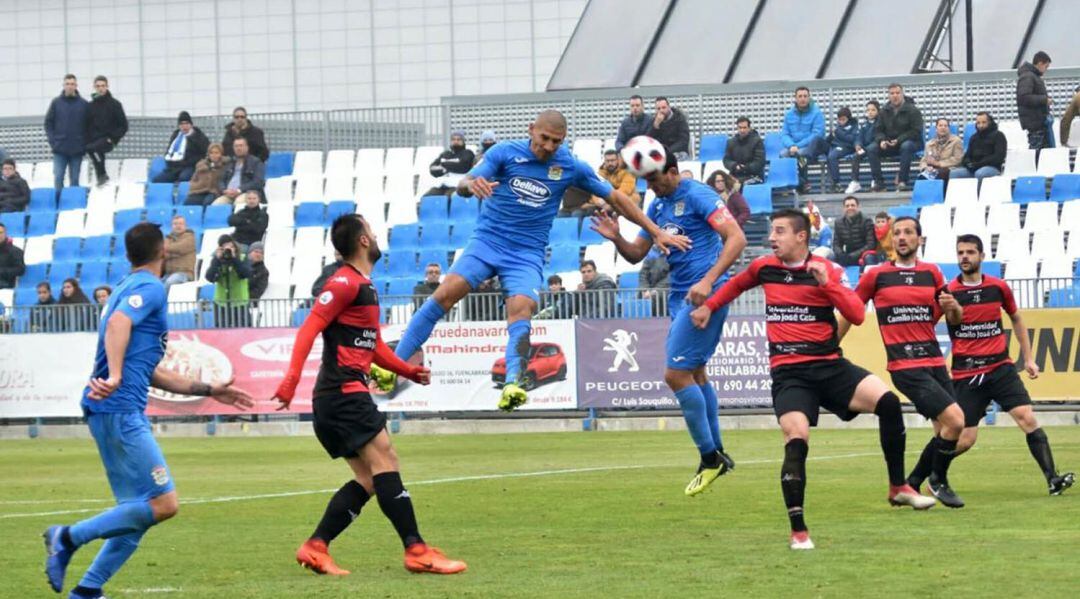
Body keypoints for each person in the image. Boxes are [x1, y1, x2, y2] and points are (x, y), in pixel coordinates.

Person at [379, 110, 689, 412]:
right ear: (531, 129)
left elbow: (616, 198)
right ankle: (392, 367)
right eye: (545, 139)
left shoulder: (569, 165)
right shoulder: (504, 153)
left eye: (557, 141)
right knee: (443, 296)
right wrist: (469, 185)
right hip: (487, 242)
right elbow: (467, 181)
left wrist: (654, 230)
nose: (550, 147)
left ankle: (514, 383)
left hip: (525, 255)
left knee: (522, 308)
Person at [689, 209, 934, 551]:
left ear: (801, 237)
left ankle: (898, 488)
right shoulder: (765, 267)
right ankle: (799, 532)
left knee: (889, 402)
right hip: (791, 374)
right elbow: (734, 285)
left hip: (831, 367)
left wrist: (828, 285)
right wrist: (708, 307)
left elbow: (856, 315)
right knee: (796, 438)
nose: (772, 238)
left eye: (779, 231)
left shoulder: (828, 270)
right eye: (772, 232)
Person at [42, 223, 253, 599]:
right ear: (164, 253)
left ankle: (88, 591)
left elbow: (150, 368)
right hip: (120, 409)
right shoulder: (151, 288)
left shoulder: (123, 287)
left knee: (139, 509)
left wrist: (208, 390)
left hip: (108, 408)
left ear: (128, 256)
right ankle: (68, 537)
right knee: (164, 504)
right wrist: (118, 375)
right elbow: (120, 325)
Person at [272, 213, 466, 576]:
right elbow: (310, 327)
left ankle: (316, 547)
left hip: (339, 397)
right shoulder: (344, 282)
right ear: (363, 241)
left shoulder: (364, 285)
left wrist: (407, 370)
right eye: (372, 232)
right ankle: (417, 549)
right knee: (387, 463)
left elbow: (371, 343)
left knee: (369, 479)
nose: (376, 237)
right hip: (343, 394)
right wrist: (291, 378)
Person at [592, 149, 747, 496]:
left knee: (674, 375)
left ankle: (710, 458)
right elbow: (636, 253)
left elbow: (737, 238)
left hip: (707, 295)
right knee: (695, 374)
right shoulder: (657, 206)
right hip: (680, 297)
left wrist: (707, 282)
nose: (652, 187)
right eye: (646, 181)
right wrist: (617, 236)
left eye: (656, 180)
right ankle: (718, 450)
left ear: (674, 171)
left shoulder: (698, 195)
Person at [837, 217, 967, 508]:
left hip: (934, 362)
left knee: (950, 433)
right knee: (956, 421)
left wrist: (954, 308)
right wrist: (830, 346)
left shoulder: (932, 273)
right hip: (905, 366)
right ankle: (938, 481)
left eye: (908, 232)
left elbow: (954, 318)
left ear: (919, 239)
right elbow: (850, 310)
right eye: (897, 233)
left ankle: (911, 484)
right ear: (891, 240)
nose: (902, 237)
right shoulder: (876, 275)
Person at [945, 234, 1074, 495]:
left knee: (1027, 417)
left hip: (1000, 367)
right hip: (967, 372)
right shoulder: (949, 292)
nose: (965, 257)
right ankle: (933, 473)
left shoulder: (998, 287)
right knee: (967, 438)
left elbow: (1016, 319)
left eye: (970, 252)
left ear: (982, 256)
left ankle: (1052, 479)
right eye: (960, 252)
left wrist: (1028, 358)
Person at [868, 83, 923, 192]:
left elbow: (916, 131)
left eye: (897, 93)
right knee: (871, 148)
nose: (895, 96)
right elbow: (878, 130)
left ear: (902, 94)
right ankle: (879, 183)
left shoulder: (913, 110)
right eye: (892, 93)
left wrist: (899, 140)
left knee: (906, 146)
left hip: (910, 142)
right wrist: (882, 140)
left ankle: (902, 181)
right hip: (890, 144)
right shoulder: (884, 111)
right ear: (889, 95)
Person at [44, 74, 89, 199]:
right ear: (63, 85)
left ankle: (73, 205)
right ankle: (58, 204)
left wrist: (84, 144)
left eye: (72, 84)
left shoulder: (84, 104)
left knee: (74, 179)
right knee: (58, 177)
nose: (70, 86)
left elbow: (89, 126)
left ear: (76, 86)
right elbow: (48, 123)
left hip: (77, 149)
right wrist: (53, 142)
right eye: (67, 84)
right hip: (60, 149)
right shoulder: (56, 103)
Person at [780, 87, 827, 193]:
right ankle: (789, 184)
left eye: (805, 96)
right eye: (800, 96)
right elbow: (784, 134)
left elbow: (817, 134)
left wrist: (798, 146)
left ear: (809, 97)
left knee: (801, 154)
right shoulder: (789, 114)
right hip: (793, 146)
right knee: (783, 154)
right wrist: (791, 145)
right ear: (795, 98)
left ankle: (804, 183)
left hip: (812, 147)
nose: (803, 99)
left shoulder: (817, 113)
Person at [84, 76, 128, 187]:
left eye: (103, 86)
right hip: (95, 139)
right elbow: (86, 125)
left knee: (93, 149)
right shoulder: (90, 106)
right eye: (98, 86)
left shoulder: (115, 104)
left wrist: (113, 137)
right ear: (94, 87)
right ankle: (102, 177)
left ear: (107, 87)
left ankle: (102, 175)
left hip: (109, 139)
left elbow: (123, 125)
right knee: (93, 149)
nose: (100, 89)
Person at [205, 234, 251, 328]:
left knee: (243, 331)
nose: (228, 250)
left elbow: (246, 274)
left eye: (231, 247)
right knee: (221, 332)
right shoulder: (217, 261)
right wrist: (216, 260)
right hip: (221, 303)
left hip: (240, 303)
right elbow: (209, 277)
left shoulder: (242, 258)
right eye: (225, 248)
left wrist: (234, 259)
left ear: (235, 247)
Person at [152, 112, 209, 184]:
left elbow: (204, 152)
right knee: (158, 180)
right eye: (182, 124)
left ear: (191, 124)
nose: (184, 126)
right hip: (173, 167)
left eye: (186, 123)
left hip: (189, 166)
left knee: (183, 178)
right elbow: (169, 150)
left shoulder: (198, 135)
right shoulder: (176, 135)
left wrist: (192, 138)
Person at [951, 112, 1007, 180]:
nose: (981, 125)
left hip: (992, 167)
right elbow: (967, 156)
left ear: (990, 122)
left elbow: (999, 157)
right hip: (975, 167)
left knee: (980, 173)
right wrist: (968, 164)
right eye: (978, 123)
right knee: (953, 174)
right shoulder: (974, 137)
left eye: (984, 122)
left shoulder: (999, 135)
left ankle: (978, 191)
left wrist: (979, 164)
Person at [1016, 51, 1053, 150]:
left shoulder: (1031, 76)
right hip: (1035, 123)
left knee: (1042, 153)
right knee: (1037, 152)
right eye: (1046, 66)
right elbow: (1023, 97)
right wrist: (1044, 100)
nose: (1046, 70)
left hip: (1037, 122)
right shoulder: (1028, 76)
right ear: (1040, 63)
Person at [215, 138, 266, 205]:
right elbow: (221, 180)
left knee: (239, 203)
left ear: (247, 147)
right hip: (228, 194)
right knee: (216, 205)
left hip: (248, 194)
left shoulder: (256, 162)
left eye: (241, 145)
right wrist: (224, 190)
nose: (238, 148)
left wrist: (239, 190)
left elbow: (258, 182)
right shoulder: (229, 162)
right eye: (236, 146)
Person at [424, 131, 474, 197]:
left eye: (458, 139)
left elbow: (463, 167)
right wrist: (447, 168)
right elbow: (432, 168)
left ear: (463, 141)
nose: (456, 141)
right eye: (453, 139)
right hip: (443, 186)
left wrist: (444, 165)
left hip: (458, 187)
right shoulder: (445, 154)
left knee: (449, 198)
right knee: (426, 198)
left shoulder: (467, 153)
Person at [845, 100, 880, 194]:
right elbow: (858, 137)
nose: (870, 112)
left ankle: (876, 181)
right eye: (868, 110)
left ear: (878, 111)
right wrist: (858, 145)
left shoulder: (880, 123)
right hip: (865, 148)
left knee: (871, 151)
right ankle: (855, 181)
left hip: (876, 148)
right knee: (856, 155)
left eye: (873, 110)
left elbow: (879, 137)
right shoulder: (864, 124)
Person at [831, 196, 875, 267]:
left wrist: (852, 255)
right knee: (831, 257)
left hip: (863, 254)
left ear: (857, 206)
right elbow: (836, 244)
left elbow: (871, 244)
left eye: (852, 205)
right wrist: (841, 254)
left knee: (869, 257)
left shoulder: (867, 221)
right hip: (847, 254)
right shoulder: (838, 222)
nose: (850, 208)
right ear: (844, 208)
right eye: (847, 206)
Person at [825, 107, 859, 193]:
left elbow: (851, 139)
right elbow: (828, 140)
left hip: (846, 147)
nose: (841, 122)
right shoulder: (838, 127)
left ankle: (836, 183)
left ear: (848, 118)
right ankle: (832, 183)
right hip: (834, 146)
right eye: (839, 120)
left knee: (832, 156)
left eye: (843, 119)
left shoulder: (854, 126)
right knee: (826, 153)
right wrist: (831, 135)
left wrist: (838, 132)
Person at [723, 116, 765, 184]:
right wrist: (734, 165)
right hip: (735, 176)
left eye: (744, 128)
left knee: (739, 184)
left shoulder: (757, 141)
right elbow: (726, 160)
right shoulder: (731, 142)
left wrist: (745, 168)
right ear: (737, 128)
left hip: (754, 176)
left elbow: (760, 162)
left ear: (749, 128)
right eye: (740, 127)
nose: (742, 130)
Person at [162, 215, 196, 291]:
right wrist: (176, 252)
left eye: (180, 224)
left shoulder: (190, 237)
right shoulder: (167, 238)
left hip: (184, 273)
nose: (178, 226)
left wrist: (169, 250)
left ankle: (163, 302)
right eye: (175, 224)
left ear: (185, 225)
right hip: (168, 273)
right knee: (155, 285)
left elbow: (180, 248)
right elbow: (163, 254)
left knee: (170, 282)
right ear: (171, 226)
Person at [639, 248, 670, 315]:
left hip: (666, 289)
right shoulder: (651, 252)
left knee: (659, 297)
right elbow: (643, 273)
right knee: (639, 297)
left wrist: (655, 290)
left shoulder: (673, 253)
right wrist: (645, 289)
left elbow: (670, 276)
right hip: (650, 289)